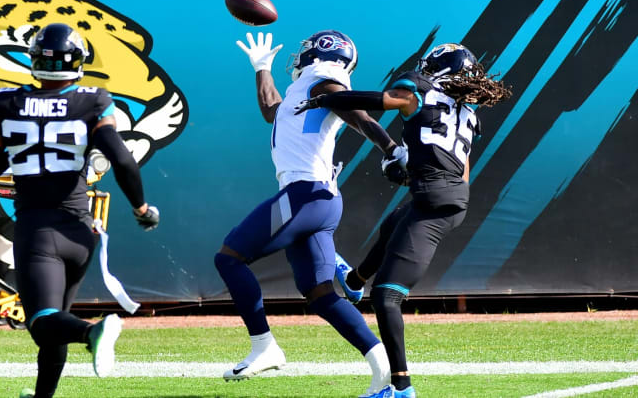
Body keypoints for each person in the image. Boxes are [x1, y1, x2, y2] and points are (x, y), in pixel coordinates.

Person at [296, 43, 512, 397]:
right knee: (394, 222)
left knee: (386, 299)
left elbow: (384, 101)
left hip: (434, 205)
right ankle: (354, 279)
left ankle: (401, 388)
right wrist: (416, 175)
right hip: (451, 197)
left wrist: (327, 100)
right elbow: (461, 172)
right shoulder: (468, 112)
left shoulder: (419, 89)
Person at [0, 23, 160, 398]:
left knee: (41, 323)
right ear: (79, 62)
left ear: (34, 60)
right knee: (56, 319)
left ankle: (92, 332)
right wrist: (141, 208)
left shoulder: (7, 102)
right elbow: (122, 160)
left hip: (38, 230)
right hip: (80, 230)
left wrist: (7, 145)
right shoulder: (93, 100)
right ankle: (43, 397)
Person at [215, 30, 405, 398]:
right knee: (319, 293)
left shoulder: (323, 82)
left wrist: (390, 147)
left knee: (230, 258)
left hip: (305, 195)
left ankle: (264, 347)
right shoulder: (304, 88)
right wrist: (261, 68)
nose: (300, 56)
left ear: (321, 53)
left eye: (306, 50)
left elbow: (357, 114)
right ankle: (387, 375)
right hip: (318, 199)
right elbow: (272, 109)